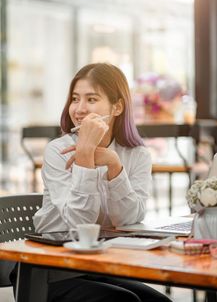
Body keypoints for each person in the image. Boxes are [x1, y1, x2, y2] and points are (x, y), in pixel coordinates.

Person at [33, 63, 172, 302]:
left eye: (91, 99)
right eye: (75, 99)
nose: (79, 109)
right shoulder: (57, 151)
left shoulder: (137, 154)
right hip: (51, 270)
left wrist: (114, 166)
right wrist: (85, 157)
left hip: (100, 266)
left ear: (117, 107)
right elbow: (78, 225)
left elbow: (128, 219)